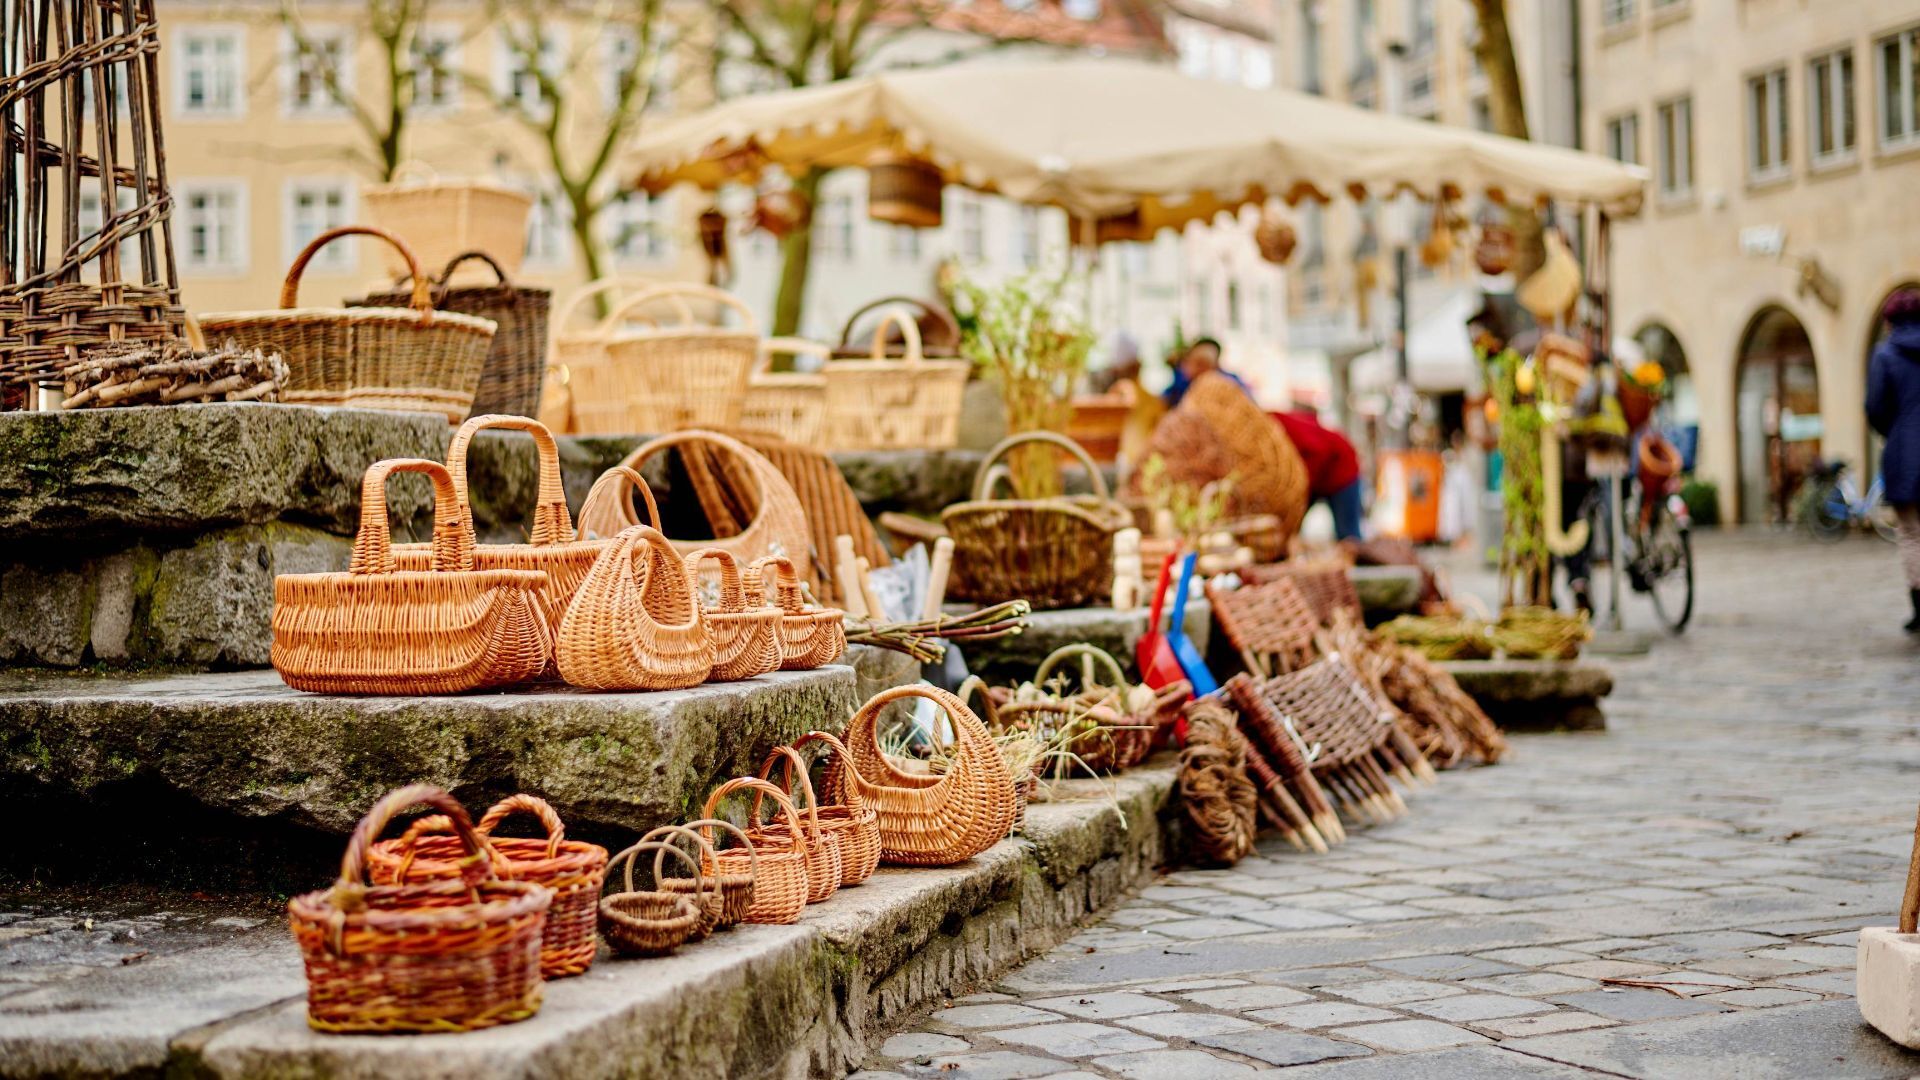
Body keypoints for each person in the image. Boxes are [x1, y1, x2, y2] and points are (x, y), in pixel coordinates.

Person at [1867, 286, 1920, 633]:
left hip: (1905, 455)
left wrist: (1896, 431)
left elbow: (1875, 407)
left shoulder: (1885, 354)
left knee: (1912, 534)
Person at [1274, 404, 1365, 541]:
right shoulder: (1274, 427)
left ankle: (1363, 556)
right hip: (1318, 477)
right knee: (1292, 523)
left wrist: (1304, 484)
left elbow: (1319, 450)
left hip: (1342, 471)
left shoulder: (1279, 425)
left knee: (1347, 532)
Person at [1161, 338, 1247, 407]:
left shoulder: (1228, 383)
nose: (1197, 369)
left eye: (1203, 364)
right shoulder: (1183, 383)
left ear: (1215, 365)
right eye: (1194, 362)